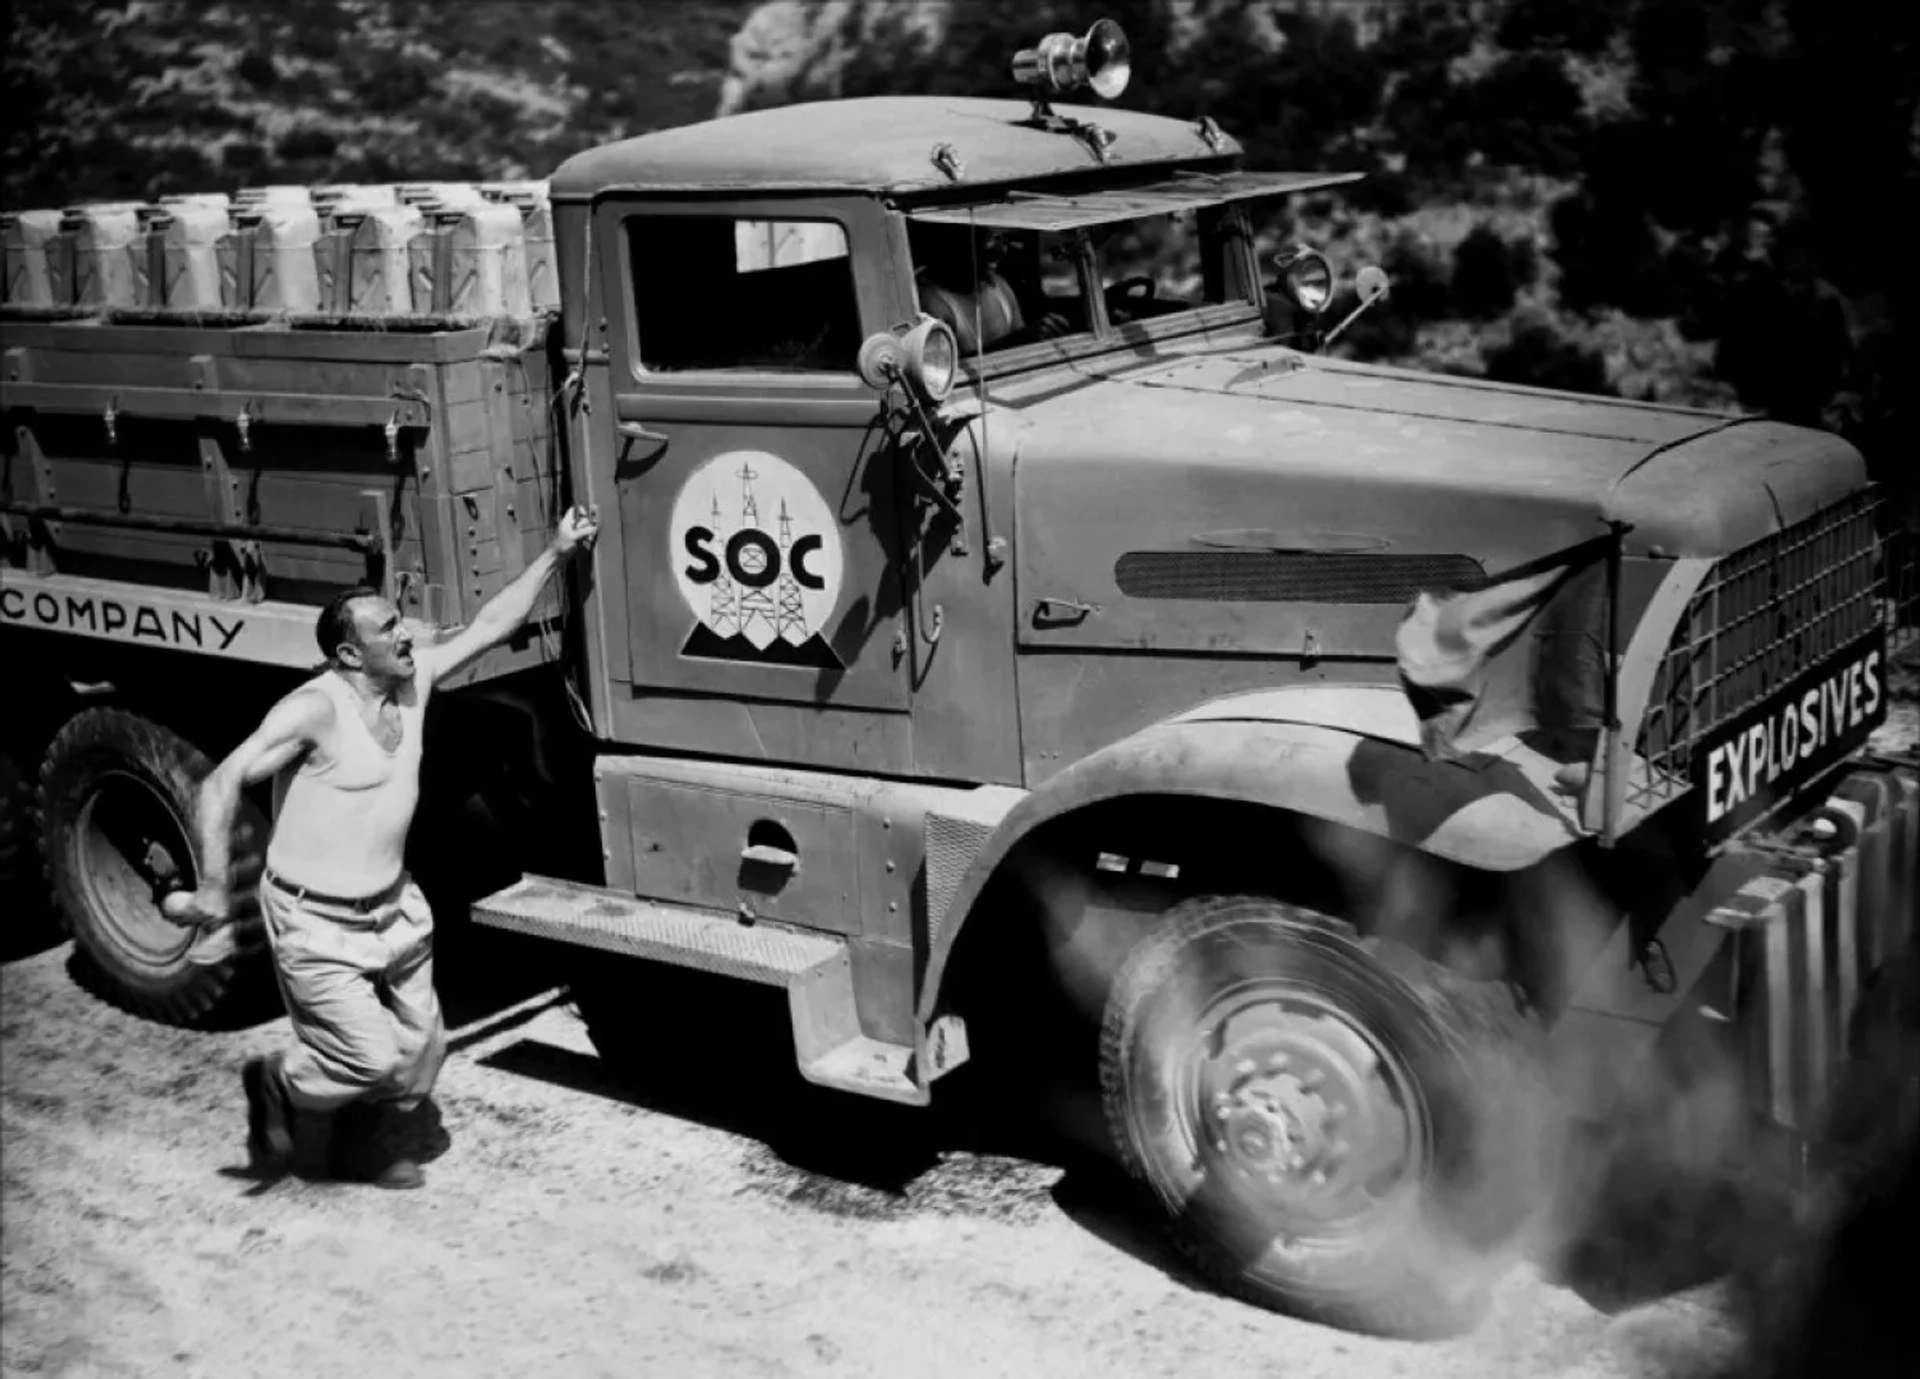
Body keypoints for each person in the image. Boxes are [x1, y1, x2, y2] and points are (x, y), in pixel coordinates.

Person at [164, 505, 600, 1188]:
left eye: (400, 621)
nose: (408, 634)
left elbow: (493, 625)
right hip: (316, 919)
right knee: (368, 1059)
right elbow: (219, 783)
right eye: (389, 627)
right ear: (347, 653)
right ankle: (281, 1083)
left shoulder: (414, 680)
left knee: (423, 1053)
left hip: (395, 906)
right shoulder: (312, 711)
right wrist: (217, 892)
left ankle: (356, 1136)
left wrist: (557, 551)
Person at [909, 222, 1071, 355]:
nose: (1002, 250)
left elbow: (1023, 348)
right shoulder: (934, 303)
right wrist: (1021, 338)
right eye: (994, 238)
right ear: (963, 243)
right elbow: (944, 371)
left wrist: (1041, 334)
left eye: (1004, 239)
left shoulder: (1001, 288)